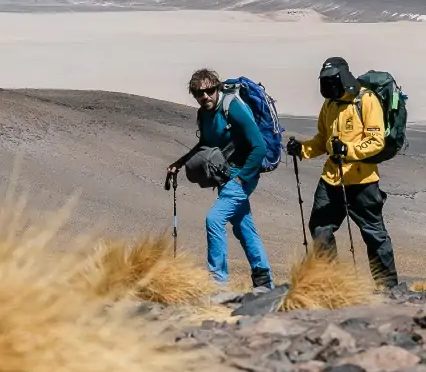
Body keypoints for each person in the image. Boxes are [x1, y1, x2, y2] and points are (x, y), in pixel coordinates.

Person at [285, 57, 398, 287]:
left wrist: (348, 150)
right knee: (319, 227)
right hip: (331, 179)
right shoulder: (329, 105)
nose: (328, 88)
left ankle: (388, 287)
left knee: (374, 234)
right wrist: (302, 150)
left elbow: (376, 141)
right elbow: (322, 140)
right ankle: (331, 282)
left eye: (331, 83)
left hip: (362, 180)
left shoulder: (366, 100)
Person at [165, 68, 272, 290]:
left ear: (217, 87)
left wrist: (242, 180)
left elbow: (259, 147)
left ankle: (217, 284)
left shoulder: (232, 107)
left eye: (209, 91)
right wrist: (180, 162)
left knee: (214, 219)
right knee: (243, 227)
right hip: (225, 176)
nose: (204, 96)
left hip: (242, 174)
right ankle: (264, 282)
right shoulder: (204, 114)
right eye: (198, 93)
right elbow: (204, 144)